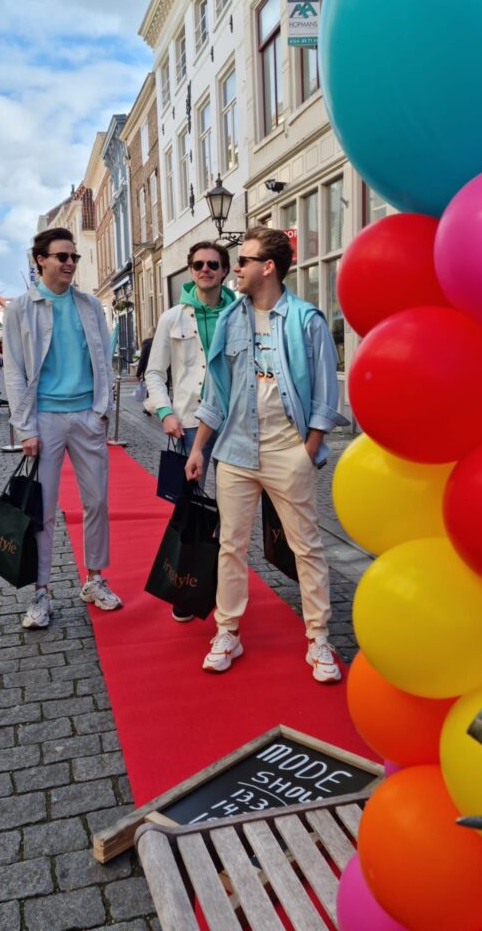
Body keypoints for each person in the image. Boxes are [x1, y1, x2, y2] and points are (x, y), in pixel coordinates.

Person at [185, 227, 349, 681]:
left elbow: (324, 394)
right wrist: (200, 448)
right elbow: (215, 392)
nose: (234, 269)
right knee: (231, 547)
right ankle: (228, 631)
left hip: (286, 451)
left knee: (307, 548)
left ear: (268, 267)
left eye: (243, 261)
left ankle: (319, 640)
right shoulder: (231, 320)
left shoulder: (306, 320)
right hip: (235, 452)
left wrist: (308, 450)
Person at [4, 226, 122, 629]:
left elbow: (104, 361)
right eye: (62, 256)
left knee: (98, 503)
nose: (70, 263)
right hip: (46, 420)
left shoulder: (89, 305)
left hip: (87, 416)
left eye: (74, 257)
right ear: (41, 259)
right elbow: (15, 372)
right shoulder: (21, 308)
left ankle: (94, 579)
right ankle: (41, 593)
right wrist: (26, 428)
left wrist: (100, 411)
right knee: (44, 511)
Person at [146, 241, 236, 621]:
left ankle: (225, 588)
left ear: (225, 270)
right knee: (189, 510)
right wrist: (164, 411)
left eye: (213, 264)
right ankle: (186, 585)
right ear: (190, 269)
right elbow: (153, 372)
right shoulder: (172, 318)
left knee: (232, 510)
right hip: (185, 424)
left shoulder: (240, 313)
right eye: (198, 264)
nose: (205, 270)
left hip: (233, 425)